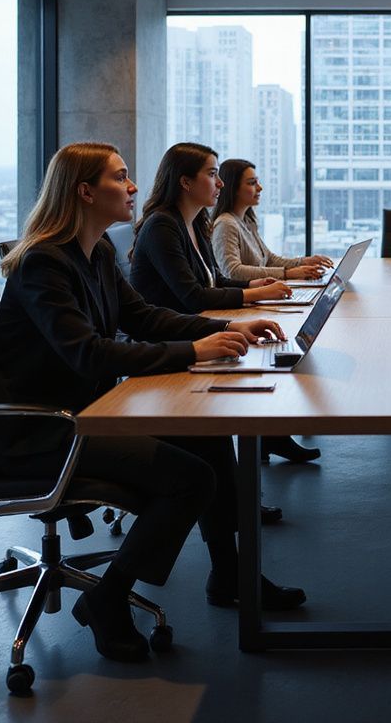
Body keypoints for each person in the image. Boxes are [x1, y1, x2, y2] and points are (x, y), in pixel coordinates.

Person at [0, 143, 305, 664]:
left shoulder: (96, 253)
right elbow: (88, 354)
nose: (134, 187)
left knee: (208, 440)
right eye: (121, 177)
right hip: (44, 432)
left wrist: (225, 329)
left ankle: (230, 574)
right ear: (85, 191)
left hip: (91, 412)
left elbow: (145, 318)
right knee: (192, 478)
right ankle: (106, 600)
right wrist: (195, 348)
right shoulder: (44, 264)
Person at [128, 141, 300, 521]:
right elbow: (190, 296)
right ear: (185, 182)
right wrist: (239, 310)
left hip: (186, 335)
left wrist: (254, 290)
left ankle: (232, 546)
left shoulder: (193, 223)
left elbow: (213, 278)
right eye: (211, 174)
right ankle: (234, 539)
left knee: (241, 387)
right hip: (164, 346)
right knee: (220, 421)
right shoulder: (162, 226)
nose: (219, 184)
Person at [212, 157, 334, 464]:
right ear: (232, 188)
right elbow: (233, 270)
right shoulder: (225, 224)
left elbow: (268, 258)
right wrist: (289, 275)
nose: (260, 187)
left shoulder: (245, 220)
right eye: (251, 183)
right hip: (240, 310)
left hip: (253, 305)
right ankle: (268, 434)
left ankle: (271, 436)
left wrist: (304, 262)